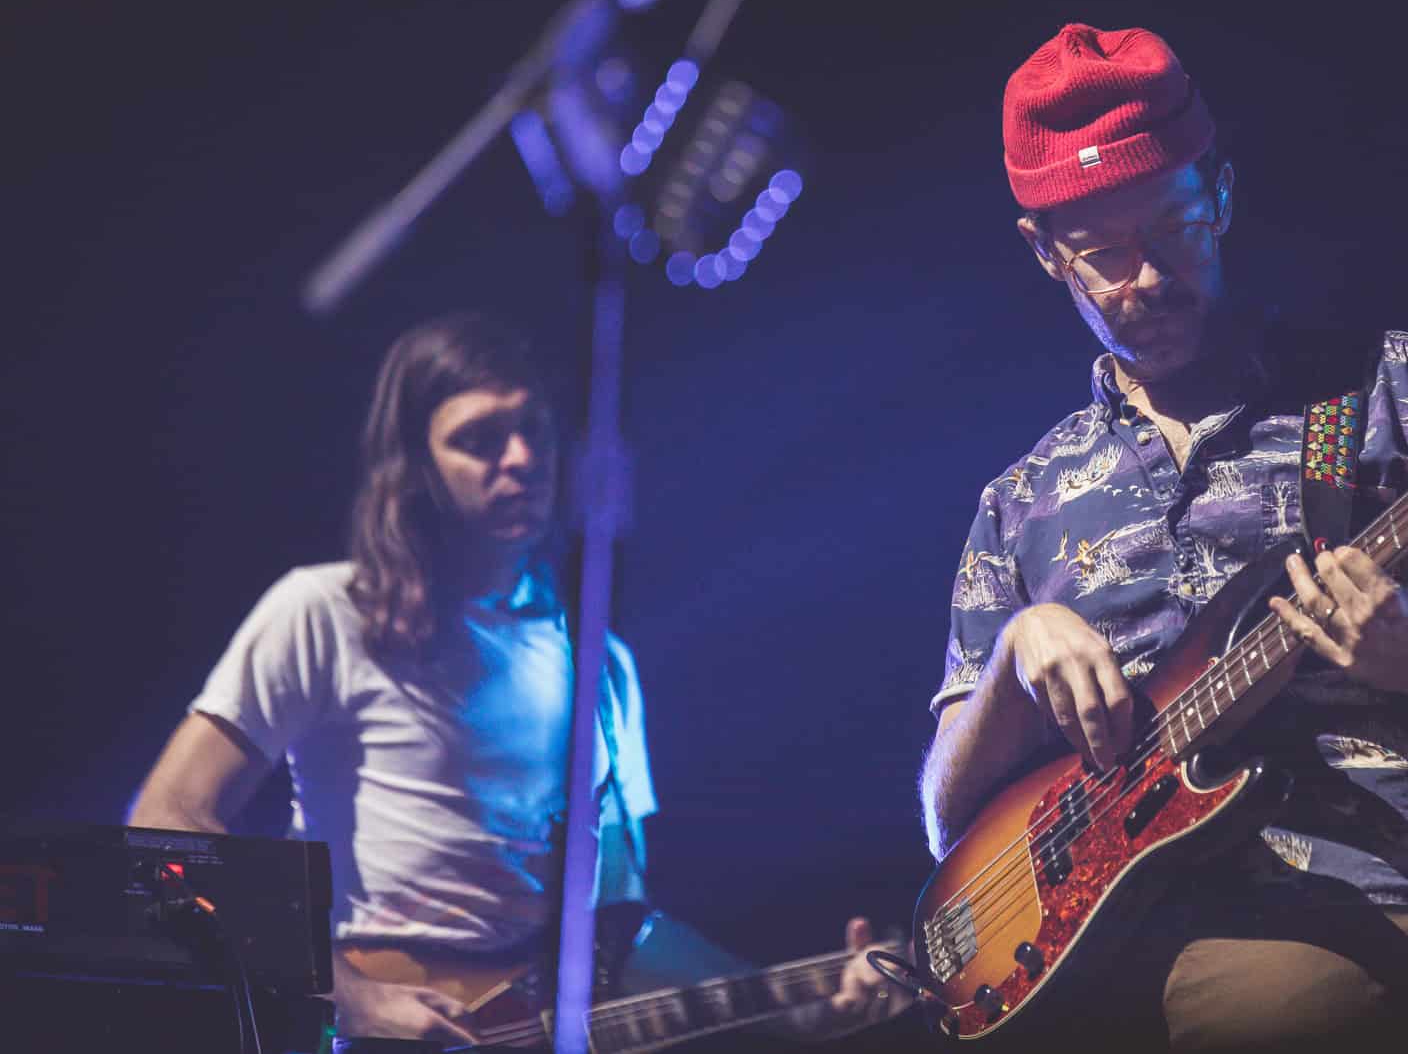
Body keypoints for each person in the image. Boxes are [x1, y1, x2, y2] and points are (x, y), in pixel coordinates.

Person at [917, 24, 1408, 1048]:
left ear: (1220, 196)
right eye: (1102, 253)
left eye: (1173, 228)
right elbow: (945, 822)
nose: (1145, 277)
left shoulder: (1387, 386)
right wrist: (1015, 652)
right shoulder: (1017, 502)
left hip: (1333, 916)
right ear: (1044, 252)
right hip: (1082, 953)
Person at [130, 311, 907, 1044]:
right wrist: (349, 993)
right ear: (414, 466)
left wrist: (804, 1004)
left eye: (532, 429)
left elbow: (622, 934)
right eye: (479, 439)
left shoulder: (601, 663)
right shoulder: (324, 610)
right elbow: (168, 813)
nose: (521, 459)